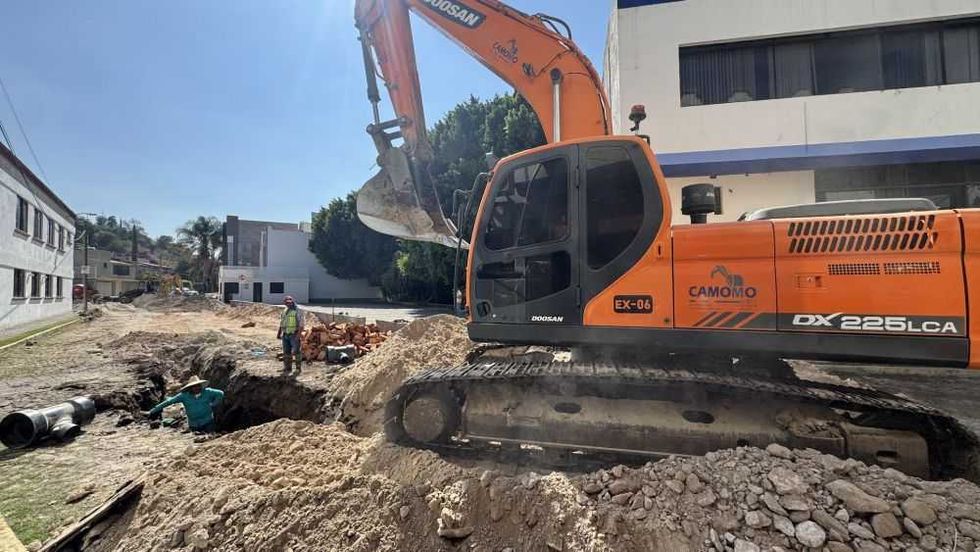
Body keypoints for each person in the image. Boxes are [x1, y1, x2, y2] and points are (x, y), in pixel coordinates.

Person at [145, 376, 224, 433]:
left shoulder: (208, 392)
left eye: (198, 386)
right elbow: (169, 402)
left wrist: (214, 404)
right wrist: (152, 411)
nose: (197, 388)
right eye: (194, 386)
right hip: (193, 424)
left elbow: (220, 393)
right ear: (190, 388)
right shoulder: (184, 396)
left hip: (208, 422)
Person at [278, 295, 304, 375]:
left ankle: (298, 368)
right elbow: (282, 322)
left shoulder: (298, 310)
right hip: (285, 334)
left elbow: (301, 324)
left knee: (296, 351)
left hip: (294, 334)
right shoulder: (285, 310)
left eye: (289, 302)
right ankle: (287, 368)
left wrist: (298, 336)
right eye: (286, 302)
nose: (288, 304)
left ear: (292, 301)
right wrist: (279, 333)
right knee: (286, 352)